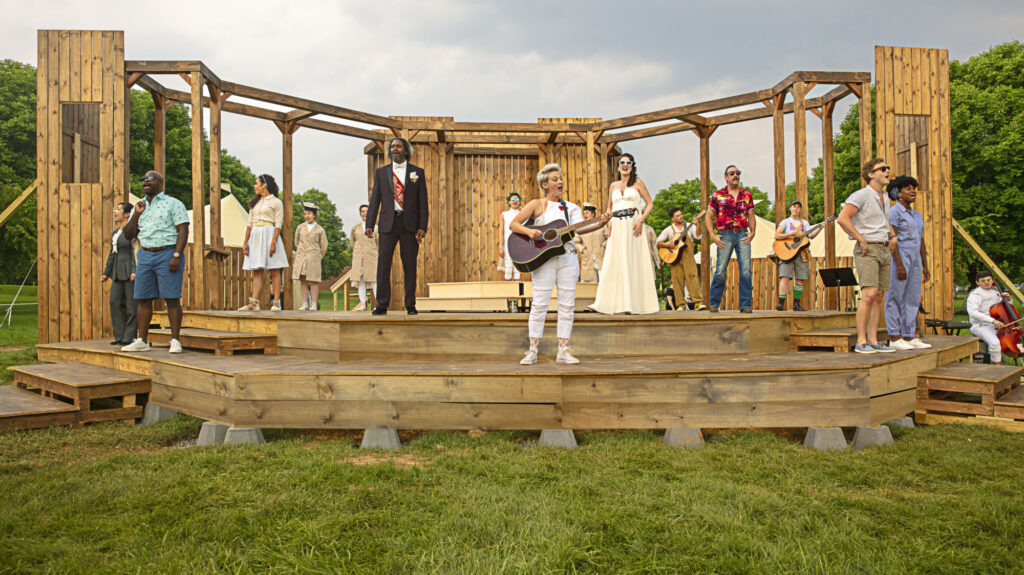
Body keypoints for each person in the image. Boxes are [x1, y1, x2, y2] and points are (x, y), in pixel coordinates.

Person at [511, 163, 610, 364]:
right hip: (543, 260)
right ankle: (532, 350)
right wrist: (530, 231)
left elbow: (579, 229)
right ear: (545, 184)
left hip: (568, 258)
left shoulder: (571, 208)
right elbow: (514, 224)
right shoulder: (536, 204)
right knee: (539, 304)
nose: (560, 182)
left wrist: (600, 223)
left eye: (561, 178)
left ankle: (563, 351)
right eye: (555, 179)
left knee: (567, 304)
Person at [120, 170, 189, 354]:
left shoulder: (173, 203)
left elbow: (183, 230)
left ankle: (175, 340)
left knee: (171, 298)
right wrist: (136, 214)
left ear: (160, 183)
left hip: (167, 252)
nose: (145, 181)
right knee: (143, 299)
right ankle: (142, 340)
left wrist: (176, 255)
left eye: (150, 179)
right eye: (143, 179)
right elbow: (128, 234)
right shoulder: (139, 206)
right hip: (145, 254)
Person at [837, 158, 897, 354]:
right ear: (871, 174)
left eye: (887, 168)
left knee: (879, 295)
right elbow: (842, 219)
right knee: (869, 294)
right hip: (868, 248)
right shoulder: (861, 195)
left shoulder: (885, 197)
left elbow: (884, 220)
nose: (887, 171)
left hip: (884, 247)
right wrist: (860, 238)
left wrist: (892, 236)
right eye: (883, 168)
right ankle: (861, 341)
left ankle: (873, 340)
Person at [589, 153, 658, 315]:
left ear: (632, 166)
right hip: (617, 225)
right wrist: (609, 220)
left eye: (628, 162)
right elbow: (609, 206)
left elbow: (649, 204)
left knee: (632, 259)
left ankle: (633, 303)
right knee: (615, 260)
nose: (625, 165)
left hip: (633, 226)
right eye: (622, 162)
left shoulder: (638, 183)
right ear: (618, 166)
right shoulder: (613, 185)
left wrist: (641, 220)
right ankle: (610, 302)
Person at [366, 137, 428, 315]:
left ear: (406, 150)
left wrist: (422, 226)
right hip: (387, 224)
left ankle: (410, 305)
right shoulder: (381, 172)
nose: (395, 149)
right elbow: (374, 200)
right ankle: (382, 304)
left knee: (410, 266)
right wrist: (370, 223)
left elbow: (423, 202)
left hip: (410, 225)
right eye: (392, 146)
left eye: (398, 146)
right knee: (383, 266)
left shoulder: (417, 173)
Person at [884, 176, 932, 350]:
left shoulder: (916, 215)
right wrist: (899, 264)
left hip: (916, 260)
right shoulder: (895, 212)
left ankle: (909, 336)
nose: (913, 192)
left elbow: (921, 240)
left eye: (914, 189)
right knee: (895, 297)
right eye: (908, 189)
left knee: (912, 298)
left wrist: (925, 265)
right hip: (900, 257)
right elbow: (892, 238)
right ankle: (894, 336)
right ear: (898, 193)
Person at [705, 165, 756, 313]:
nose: (735, 175)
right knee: (720, 269)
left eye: (737, 173)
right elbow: (708, 215)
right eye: (732, 173)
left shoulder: (746, 194)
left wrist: (753, 232)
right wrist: (713, 235)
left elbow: (751, 214)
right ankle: (714, 303)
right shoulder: (717, 195)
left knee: (745, 270)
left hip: (742, 233)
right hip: (725, 234)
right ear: (726, 177)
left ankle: (745, 305)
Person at [239, 174, 288, 311]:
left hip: (269, 233)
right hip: (256, 234)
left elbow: (278, 224)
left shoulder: (276, 202)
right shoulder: (255, 203)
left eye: (257, 183)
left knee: (274, 269)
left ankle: (276, 302)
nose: (254, 186)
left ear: (264, 185)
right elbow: (249, 223)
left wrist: (273, 243)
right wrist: (245, 242)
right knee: (257, 271)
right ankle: (254, 303)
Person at [101, 201, 139, 345]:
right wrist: (106, 273)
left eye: (118, 209)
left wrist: (134, 270)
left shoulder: (132, 231)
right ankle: (120, 335)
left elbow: (134, 251)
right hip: (117, 272)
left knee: (132, 306)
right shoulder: (116, 233)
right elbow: (112, 253)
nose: (114, 212)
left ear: (127, 214)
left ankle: (129, 337)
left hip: (129, 272)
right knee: (114, 302)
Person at [774, 200, 822, 312]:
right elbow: (776, 235)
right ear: (790, 208)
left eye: (798, 207)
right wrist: (790, 234)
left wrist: (820, 227)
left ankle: (796, 304)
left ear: (800, 210)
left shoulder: (804, 223)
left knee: (800, 278)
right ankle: (781, 303)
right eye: (794, 206)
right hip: (787, 252)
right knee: (784, 277)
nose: (796, 209)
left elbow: (811, 236)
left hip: (801, 253)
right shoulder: (785, 222)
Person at [656, 207, 706, 312]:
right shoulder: (669, 229)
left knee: (692, 277)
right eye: (678, 215)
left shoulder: (689, 226)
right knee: (677, 280)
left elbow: (698, 236)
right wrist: (668, 245)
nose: (681, 216)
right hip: (674, 258)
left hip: (688, 256)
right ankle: (681, 305)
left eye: (681, 214)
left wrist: (698, 226)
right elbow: (658, 242)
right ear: (673, 218)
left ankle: (697, 303)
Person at [966, 270, 1010, 364]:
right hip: (981, 326)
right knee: (995, 343)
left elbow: (1004, 309)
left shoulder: (995, 293)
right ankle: (997, 368)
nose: (986, 282)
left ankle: (1002, 364)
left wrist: (1008, 300)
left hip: (997, 325)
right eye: (983, 281)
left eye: (989, 280)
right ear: (977, 282)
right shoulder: (975, 295)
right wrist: (993, 321)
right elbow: (973, 312)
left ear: (992, 280)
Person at [292, 202, 329, 311]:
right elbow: (296, 242)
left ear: (314, 215)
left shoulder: (320, 229)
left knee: (314, 281)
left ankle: (314, 304)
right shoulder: (300, 227)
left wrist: (318, 257)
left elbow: (324, 246)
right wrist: (301, 252)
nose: (307, 216)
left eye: (309, 213)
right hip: (302, 256)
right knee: (302, 280)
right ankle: (304, 303)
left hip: (314, 257)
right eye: (305, 214)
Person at [350, 204, 379, 312]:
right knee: (361, 281)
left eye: (367, 211)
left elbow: (379, 243)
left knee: (374, 280)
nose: (365, 213)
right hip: (359, 257)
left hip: (372, 257)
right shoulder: (355, 228)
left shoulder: (376, 228)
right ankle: (363, 304)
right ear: (360, 213)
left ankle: (379, 304)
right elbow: (352, 243)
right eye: (362, 211)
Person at [574, 202, 608, 283]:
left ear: (593, 214)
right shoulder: (581, 227)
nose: (585, 215)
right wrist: (582, 249)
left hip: (600, 257)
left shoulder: (601, 225)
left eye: (587, 213)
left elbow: (609, 238)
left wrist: (603, 245)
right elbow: (576, 242)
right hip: (588, 259)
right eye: (584, 213)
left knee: (604, 282)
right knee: (589, 285)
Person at [500, 192, 523, 281]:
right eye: (512, 199)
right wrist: (500, 246)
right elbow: (501, 232)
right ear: (509, 202)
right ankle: (507, 289)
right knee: (508, 266)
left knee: (518, 267)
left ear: (519, 202)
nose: (514, 201)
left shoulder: (522, 214)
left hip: (520, 243)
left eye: (517, 199)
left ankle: (517, 289)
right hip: (508, 244)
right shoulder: (504, 214)